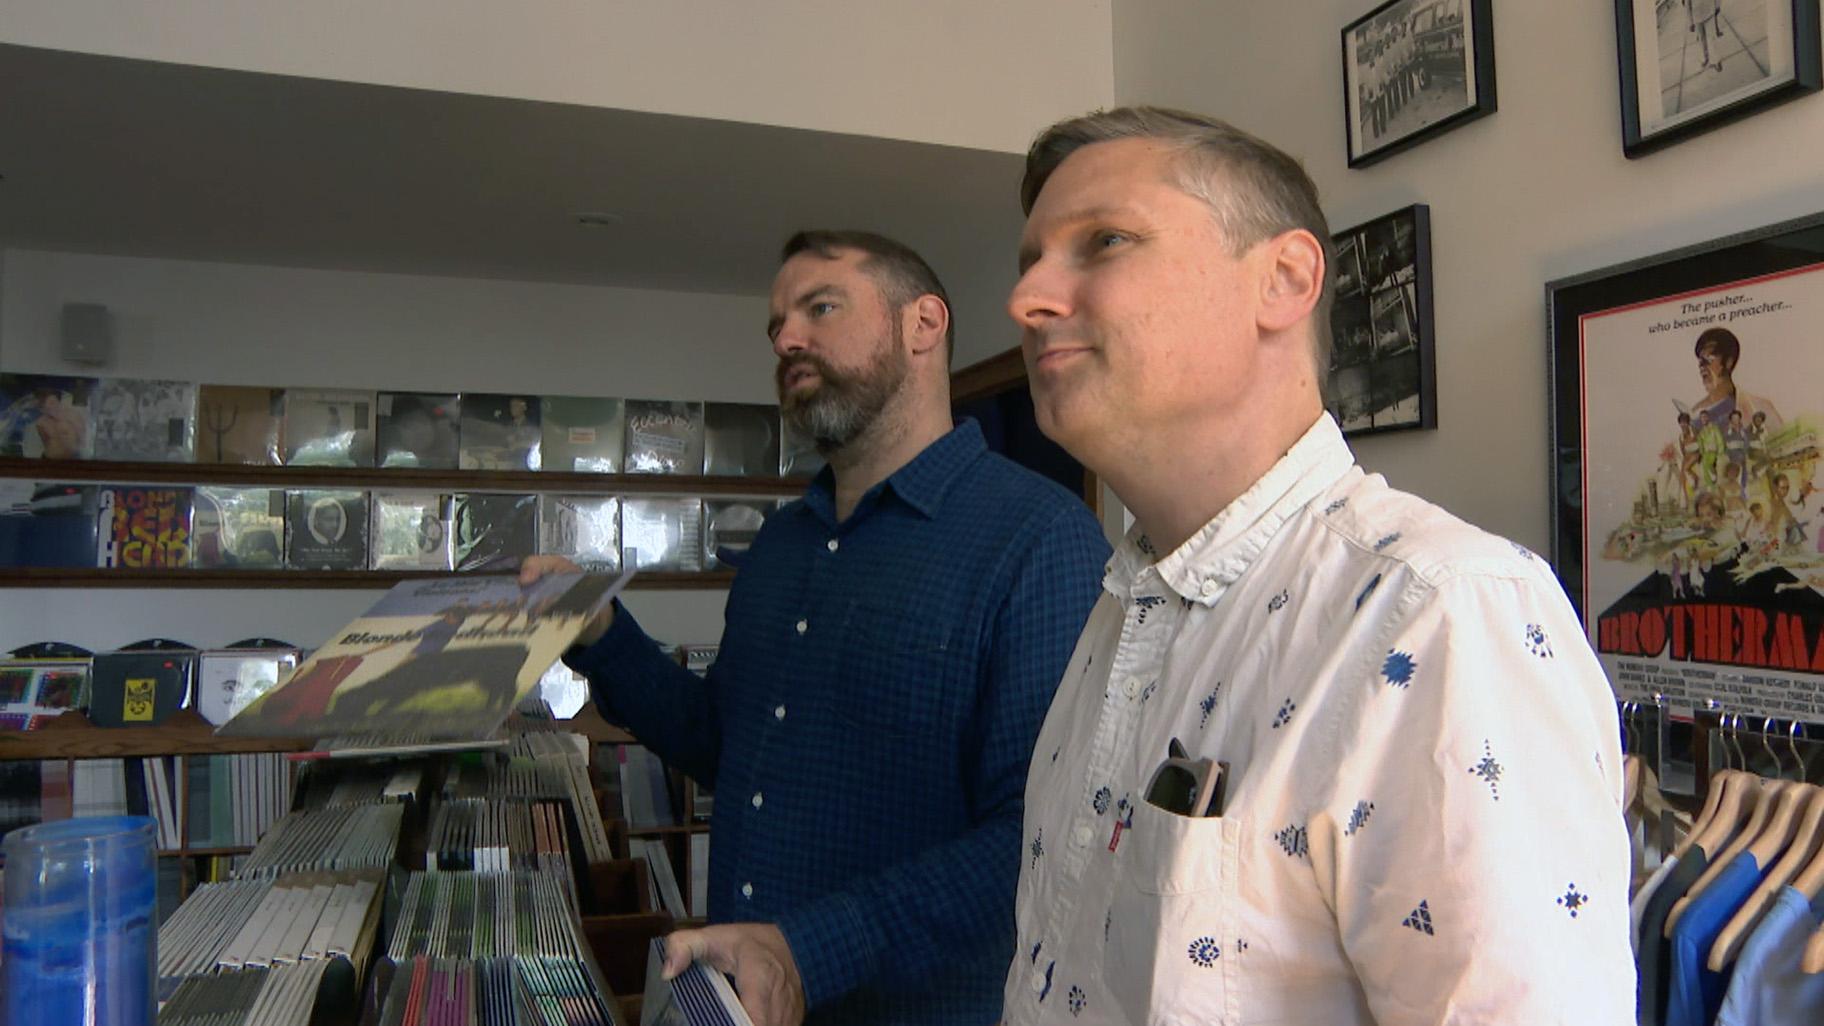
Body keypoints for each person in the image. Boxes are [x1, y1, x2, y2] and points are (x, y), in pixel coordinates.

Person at [1001, 106, 1632, 1025]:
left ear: (1284, 279)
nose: (1027, 301)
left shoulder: (1443, 618)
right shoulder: (1120, 608)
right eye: (1029, 263)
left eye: (1103, 242)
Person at [521, 230, 1108, 1026]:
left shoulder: (1041, 538)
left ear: (923, 325)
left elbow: (1036, 840)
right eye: (776, 326)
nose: (786, 339)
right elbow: (723, 745)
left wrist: (805, 949)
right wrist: (600, 634)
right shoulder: (779, 545)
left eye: (820, 308)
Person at [1691, 327, 1782, 431]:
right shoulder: (1695, 414)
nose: (1702, 366)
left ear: (1728, 362)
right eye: (1700, 361)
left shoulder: (1761, 407)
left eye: (1709, 359)